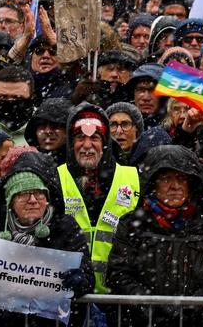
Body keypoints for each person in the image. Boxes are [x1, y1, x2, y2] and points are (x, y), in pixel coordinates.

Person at [106, 145, 203, 327]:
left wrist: (193, 307)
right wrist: (153, 309)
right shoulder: (131, 223)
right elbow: (118, 274)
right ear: (153, 183)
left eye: (181, 178)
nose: (174, 186)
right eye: (166, 179)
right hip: (144, 321)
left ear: (191, 183)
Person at [0, 151, 94, 325]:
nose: (33, 200)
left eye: (39, 193)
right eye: (23, 194)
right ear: (10, 201)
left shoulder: (65, 226)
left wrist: (79, 281)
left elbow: (88, 278)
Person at [57, 104, 141, 293]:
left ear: (104, 143)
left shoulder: (133, 178)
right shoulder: (56, 178)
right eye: (80, 138)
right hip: (67, 295)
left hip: (118, 296)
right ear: (71, 143)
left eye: (94, 138)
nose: (87, 145)